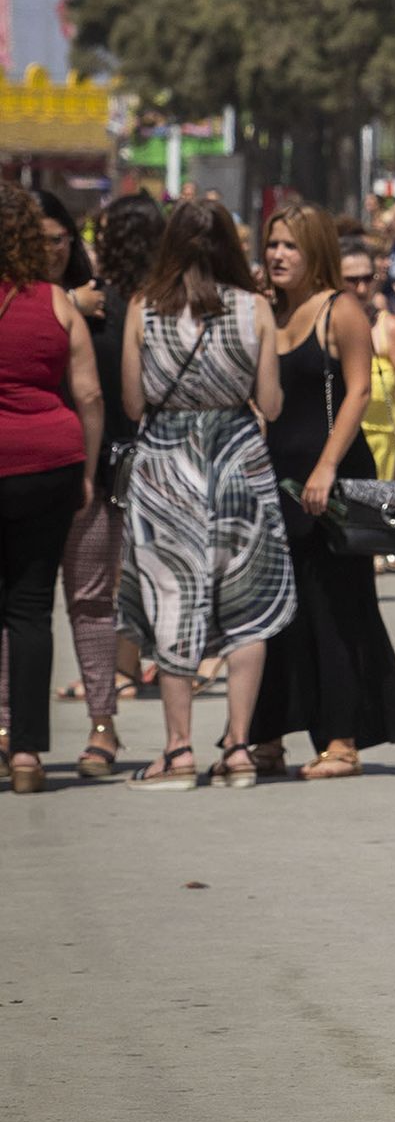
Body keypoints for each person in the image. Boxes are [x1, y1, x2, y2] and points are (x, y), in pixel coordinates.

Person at [119, 199, 292, 789]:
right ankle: (239, 749)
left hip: (166, 469)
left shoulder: (144, 309)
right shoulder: (256, 309)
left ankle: (177, 751)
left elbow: (133, 405)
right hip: (238, 463)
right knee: (246, 608)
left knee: (172, 597)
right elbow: (270, 405)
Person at [252, 203, 395, 778]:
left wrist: (326, 468)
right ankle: (267, 735)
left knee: (336, 609)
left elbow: (356, 392)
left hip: (332, 473)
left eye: (290, 246)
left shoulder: (340, 309)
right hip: (274, 473)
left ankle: (342, 739)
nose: (277, 254)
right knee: (274, 612)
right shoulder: (267, 310)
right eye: (272, 243)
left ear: (315, 252)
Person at [0, 185, 104, 793]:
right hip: (48, 462)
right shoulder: (59, 303)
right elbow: (88, 394)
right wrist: (86, 473)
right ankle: (29, 757)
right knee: (32, 608)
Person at [66, 191, 165, 775]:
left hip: (98, 456)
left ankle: (119, 684)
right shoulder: (160, 304)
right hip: (152, 453)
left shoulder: (96, 304)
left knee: (100, 586)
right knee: (139, 576)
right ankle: (126, 677)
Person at [340, 236, 395, 572]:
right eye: (352, 280)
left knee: (365, 549)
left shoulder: (387, 328)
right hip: (331, 445)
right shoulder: (321, 323)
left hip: (379, 447)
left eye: (368, 279)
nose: (362, 288)